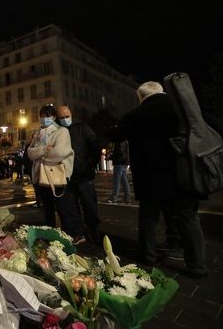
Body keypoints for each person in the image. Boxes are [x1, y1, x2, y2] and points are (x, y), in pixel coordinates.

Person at [108, 81, 207, 278]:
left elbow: (115, 135)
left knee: (149, 218)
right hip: (183, 175)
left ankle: (149, 255)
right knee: (188, 219)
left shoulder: (137, 115)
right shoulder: (182, 108)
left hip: (150, 177)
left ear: (140, 96)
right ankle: (197, 266)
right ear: (161, 92)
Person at [27, 105, 85, 243]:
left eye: (48, 116)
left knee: (63, 208)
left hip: (58, 175)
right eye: (42, 116)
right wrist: (44, 149)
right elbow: (30, 153)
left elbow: (59, 153)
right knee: (47, 209)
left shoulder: (61, 131)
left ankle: (70, 236)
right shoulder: (38, 132)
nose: (44, 119)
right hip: (41, 176)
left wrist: (40, 156)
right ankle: (50, 235)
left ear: (53, 117)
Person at [56, 105, 102, 243]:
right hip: (66, 177)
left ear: (71, 114)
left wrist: (90, 164)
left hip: (84, 175)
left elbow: (95, 146)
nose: (65, 119)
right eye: (62, 117)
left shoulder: (82, 128)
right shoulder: (57, 130)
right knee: (71, 207)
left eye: (66, 116)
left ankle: (94, 230)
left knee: (89, 205)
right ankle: (78, 233)